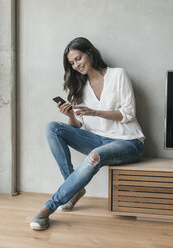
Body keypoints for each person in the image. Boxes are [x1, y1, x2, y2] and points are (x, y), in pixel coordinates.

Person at [30, 37, 145, 230]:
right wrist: (70, 116)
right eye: (72, 63)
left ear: (90, 53)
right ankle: (74, 190)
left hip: (128, 142)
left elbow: (129, 113)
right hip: (98, 139)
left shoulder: (118, 75)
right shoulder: (80, 86)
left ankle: (47, 208)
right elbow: (78, 126)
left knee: (95, 155)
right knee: (52, 127)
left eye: (78, 58)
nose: (76, 65)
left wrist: (95, 112)